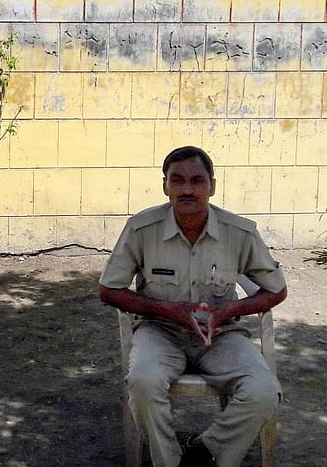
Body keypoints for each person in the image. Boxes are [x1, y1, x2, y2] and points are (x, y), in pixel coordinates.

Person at [99, 146, 287, 467]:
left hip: (221, 335)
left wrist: (226, 312)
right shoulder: (141, 229)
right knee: (143, 382)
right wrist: (166, 310)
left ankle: (206, 452)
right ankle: (169, 461)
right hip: (160, 332)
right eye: (178, 180)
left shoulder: (238, 232)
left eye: (197, 180)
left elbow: (276, 289)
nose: (187, 189)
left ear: (212, 185)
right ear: (165, 185)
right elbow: (109, 289)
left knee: (264, 390)